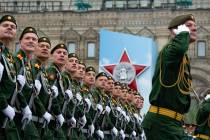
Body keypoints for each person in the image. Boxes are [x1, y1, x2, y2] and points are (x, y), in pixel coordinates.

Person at [142, 14, 197, 140]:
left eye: (195, 26)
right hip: (162, 123)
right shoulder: (169, 51)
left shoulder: (182, 58)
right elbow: (178, 49)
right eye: (188, 26)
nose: (194, 29)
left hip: (172, 123)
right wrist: (182, 34)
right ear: (175, 31)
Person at [0, 14, 23, 140]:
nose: (9, 28)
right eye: (5, 25)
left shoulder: (9, 56)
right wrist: (3, 105)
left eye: (13, 27)